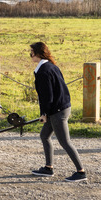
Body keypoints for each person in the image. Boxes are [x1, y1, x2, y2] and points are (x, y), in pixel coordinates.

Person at [29, 42, 87, 182]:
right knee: (44, 135)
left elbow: (46, 96)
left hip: (58, 110)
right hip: (60, 107)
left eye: (31, 52)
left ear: (37, 53)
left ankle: (81, 172)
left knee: (65, 141)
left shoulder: (43, 71)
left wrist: (44, 113)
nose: (30, 55)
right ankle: (48, 168)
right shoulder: (51, 66)